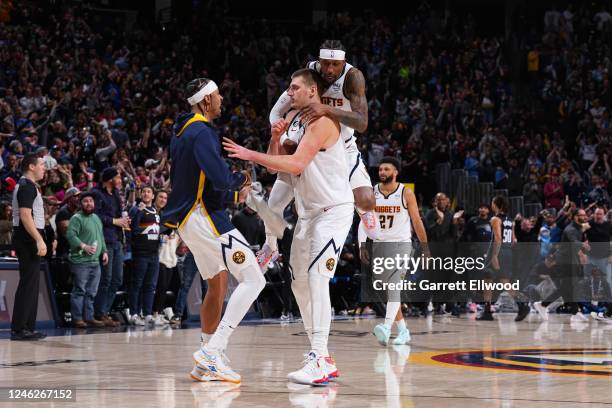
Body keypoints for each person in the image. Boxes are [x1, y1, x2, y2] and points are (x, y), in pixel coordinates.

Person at [224, 68, 355, 386]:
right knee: (298, 284)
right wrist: (272, 140)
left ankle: (320, 357)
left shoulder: (323, 122)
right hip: (309, 214)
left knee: (317, 277)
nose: (289, 92)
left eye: (294, 87)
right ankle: (320, 354)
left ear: (312, 92)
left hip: (333, 211)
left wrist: (248, 154)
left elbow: (296, 164)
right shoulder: (297, 123)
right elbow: (278, 169)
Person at [162, 77, 264, 384]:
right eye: (218, 96)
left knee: (217, 283)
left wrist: (231, 193)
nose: (221, 100)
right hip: (205, 218)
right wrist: (239, 180)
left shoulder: (180, 132)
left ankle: (206, 359)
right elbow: (219, 178)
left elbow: (201, 182)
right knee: (254, 278)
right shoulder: (201, 131)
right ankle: (213, 352)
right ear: (206, 100)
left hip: (189, 220)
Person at [259, 39, 380, 266]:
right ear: (319, 61)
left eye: (335, 65)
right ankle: (270, 247)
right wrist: (284, 139)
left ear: (343, 62)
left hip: (341, 144)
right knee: (274, 204)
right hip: (308, 143)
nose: (330, 70)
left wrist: (326, 109)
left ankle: (361, 213)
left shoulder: (353, 77)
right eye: (326, 64)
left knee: (365, 200)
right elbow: (275, 112)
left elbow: (362, 123)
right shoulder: (310, 73)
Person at [365, 157, 429, 346]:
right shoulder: (372, 192)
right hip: (380, 244)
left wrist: (425, 248)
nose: (382, 172)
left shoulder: (405, 193)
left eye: (386, 169)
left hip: (401, 244)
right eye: (380, 170)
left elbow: (417, 221)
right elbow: (366, 220)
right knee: (389, 291)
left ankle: (385, 327)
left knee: (394, 286)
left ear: (396, 172)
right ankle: (403, 331)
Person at [10, 153, 47, 340]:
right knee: (28, 283)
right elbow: (25, 215)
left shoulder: (30, 186)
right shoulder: (26, 186)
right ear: (31, 167)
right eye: (41, 164)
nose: (44, 168)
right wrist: (39, 239)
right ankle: (20, 328)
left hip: (27, 238)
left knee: (31, 284)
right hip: (27, 239)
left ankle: (27, 328)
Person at [478, 196, 530, 322]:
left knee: (490, 281)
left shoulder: (495, 219)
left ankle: (489, 310)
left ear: (496, 205)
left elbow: (498, 238)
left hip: (497, 251)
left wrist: (495, 255)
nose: (491, 205)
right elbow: (514, 240)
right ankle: (520, 304)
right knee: (499, 280)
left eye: (492, 203)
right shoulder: (511, 220)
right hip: (507, 251)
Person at [92, 167, 130, 327]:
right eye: (118, 177)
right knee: (105, 279)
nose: (120, 179)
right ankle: (98, 314)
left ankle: (104, 312)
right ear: (110, 178)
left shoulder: (115, 194)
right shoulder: (96, 193)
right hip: (104, 240)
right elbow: (95, 216)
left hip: (117, 240)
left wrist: (125, 222)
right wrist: (115, 221)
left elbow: (119, 215)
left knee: (117, 279)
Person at [66, 192, 109, 328]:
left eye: (91, 201)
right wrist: (83, 246)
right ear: (80, 203)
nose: (89, 203)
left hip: (95, 262)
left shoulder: (96, 217)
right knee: (79, 291)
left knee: (91, 292)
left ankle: (89, 317)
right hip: (80, 262)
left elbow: (100, 236)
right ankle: (77, 318)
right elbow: (71, 235)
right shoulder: (76, 218)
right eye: (85, 201)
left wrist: (104, 251)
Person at [127, 184, 162, 325]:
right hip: (140, 253)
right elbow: (132, 228)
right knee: (137, 284)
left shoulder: (156, 211)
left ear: (153, 196)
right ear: (141, 194)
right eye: (144, 192)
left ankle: (147, 313)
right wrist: (139, 213)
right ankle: (134, 314)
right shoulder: (136, 209)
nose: (146, 194)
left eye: (149, 191)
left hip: (154, 254)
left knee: (150, 285)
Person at [152, 190, 177, 323]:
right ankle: (153, 313)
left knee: (164, 287)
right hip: (157, 255)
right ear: (155, 198)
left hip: (169, 256)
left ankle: (159, 312)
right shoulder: (152, 213)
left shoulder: (167, 215)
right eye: (160, 197)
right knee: (159, 286)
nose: (162, 199)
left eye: (165, 198)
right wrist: (165, 231)